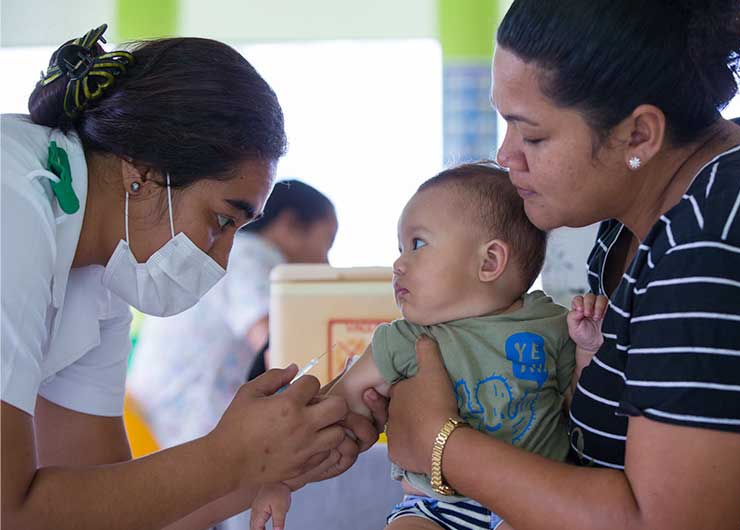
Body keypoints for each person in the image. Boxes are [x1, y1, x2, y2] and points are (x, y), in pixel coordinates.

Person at [375, 1, 740, 529]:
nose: (506, 156)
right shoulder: (653, 197)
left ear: (639, 134)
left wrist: (441, 443)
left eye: (532, 135)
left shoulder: (716, 248)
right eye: (504, 123)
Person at [1, 25, 377, 530]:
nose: (221, 261)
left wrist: (280, 463)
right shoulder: (13, 210)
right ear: (143, 171)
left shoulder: (102, 274)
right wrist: (233, 457)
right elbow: (11, 513)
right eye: (222, 221)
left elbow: (107, 511)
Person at [249, 162, 610, 530]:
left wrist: (586, 351)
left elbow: (575, 407)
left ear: (489, 261)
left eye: (417, 244)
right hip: (433, 506)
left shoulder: (550, 324)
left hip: (527, 498)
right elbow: (331, 412)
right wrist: (281, 480)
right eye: (400, 247)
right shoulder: (402, 339)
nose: (398, 263)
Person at [127, 179, 338, 452]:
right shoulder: (254, 256)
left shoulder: (232, 252)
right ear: (290, 225)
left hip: (153, 416)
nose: (327, 263)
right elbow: (278, 349)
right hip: (183, 427)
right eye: (327, 242)